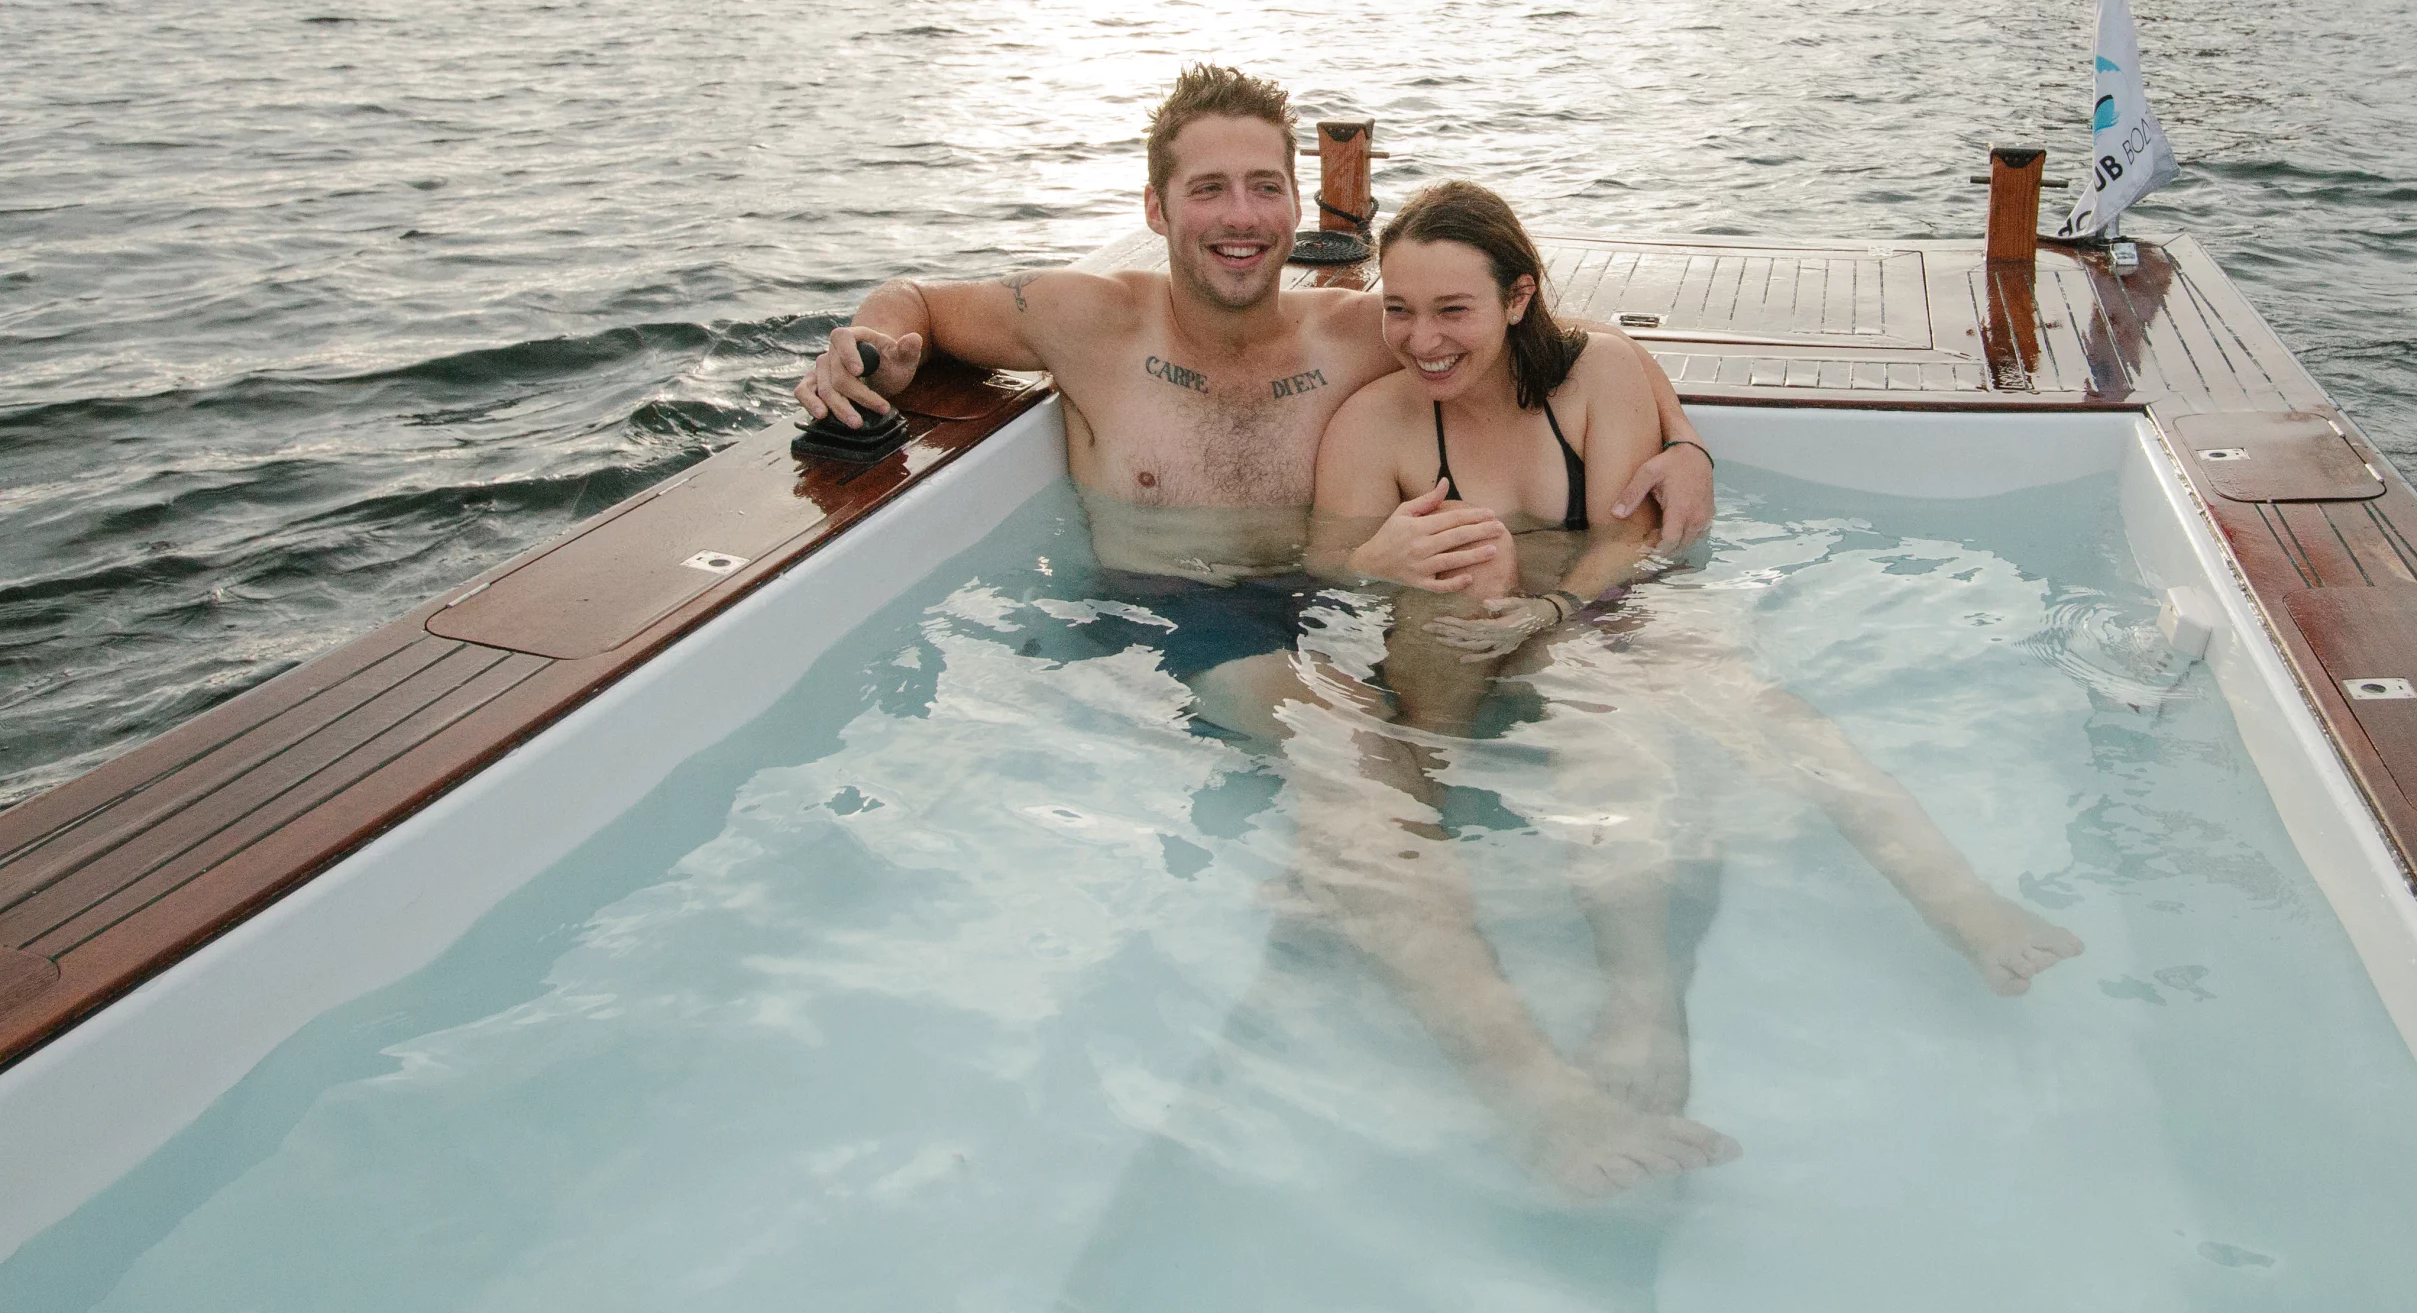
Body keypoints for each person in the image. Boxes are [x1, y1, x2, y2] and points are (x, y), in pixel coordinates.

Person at [793, 66, 1731, 1197]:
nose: (1240, 217)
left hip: (1335, 602)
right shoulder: (1084, 319)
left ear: (1298, 207)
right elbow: (919, 300)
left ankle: (1521, 965)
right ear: (1157, 209)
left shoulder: (1359, 333)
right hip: (1172, 616)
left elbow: (1554, 347)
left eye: (1263, 188)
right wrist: (873, 342)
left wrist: (1684, 441)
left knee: (1582, 712)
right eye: (1208, 190)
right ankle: (1537, 1099)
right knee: (1362, 772)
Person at [1311, 182, 2084, 1140]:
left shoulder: (1602, 375)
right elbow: (1327, 572)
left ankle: (1958, 909)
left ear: (1517, 299)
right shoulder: (1375, 424)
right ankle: (1408, 911)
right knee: (1403, 760)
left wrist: (1549, 613)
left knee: (1722, 726)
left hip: (1602, 612)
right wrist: (1377, 564)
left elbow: (1628, 544)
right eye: (1399, 307)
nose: (1422, 337)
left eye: (1451, 310)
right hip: (1454, 633)